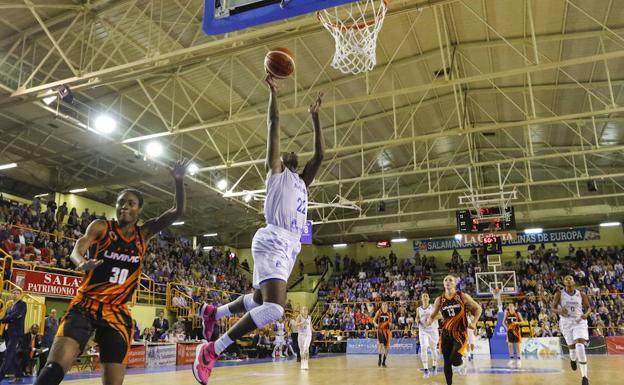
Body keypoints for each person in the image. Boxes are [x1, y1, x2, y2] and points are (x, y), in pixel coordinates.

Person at [192, 76, 325, 385]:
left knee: (258, 299)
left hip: (289, 247)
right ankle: (214, 349)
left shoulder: (302, 181)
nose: (288, 151)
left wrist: (316, 118)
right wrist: (273, 94)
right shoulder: (276, 172)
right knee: (275, 308)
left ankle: (215, 312)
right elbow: (273, 125)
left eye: (293, 151)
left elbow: (320, 156)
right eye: (284, 151)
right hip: (274, 238)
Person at [34, 160, 188, 385]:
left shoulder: (143, 234)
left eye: (130, 203)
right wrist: (81, 262)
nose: (124, 206)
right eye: (120, 202)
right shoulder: (101, 227)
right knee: (55, 368)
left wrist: (179, 181)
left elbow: (176, 212)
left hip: (116, 312)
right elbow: (78, 247)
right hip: (85, 305)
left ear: (139, 210)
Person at [427, 275, 482, 385]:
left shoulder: (462, 296)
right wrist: (429, 320)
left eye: (450, 280)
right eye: (445, 280)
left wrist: (474, 322)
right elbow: (432, 315)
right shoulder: (439, 299)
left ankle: (462, 362)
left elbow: (478, 308)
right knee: (446, 361)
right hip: (446, 333)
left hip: (460, 333)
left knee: (455, 360)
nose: (448, 282)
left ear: (455, 283)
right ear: (443, 284)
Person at [551, 275, 591, 385]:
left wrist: (586, 315)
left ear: (574, 281)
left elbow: (589, 307)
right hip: (566, 323)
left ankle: (584, 377)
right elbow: (552, 307)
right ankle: (573, 360)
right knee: (572, 349)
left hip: (579, 321)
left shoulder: (581, 294)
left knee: (580, 346)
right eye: (566, 278)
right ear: (564, 282)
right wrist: (560, 311)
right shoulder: (559, 294)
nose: (568, 280)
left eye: (570, 278)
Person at [0, 288, 27, 383]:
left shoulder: (22, 304)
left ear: (20, 295)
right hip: (7, 333)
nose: (15, 294)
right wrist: (5, 319)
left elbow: (16, 315)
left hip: (16, 334)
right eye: (13, 293)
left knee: (7, 356)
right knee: (12, 356)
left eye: (17, 293)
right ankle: (19, 375)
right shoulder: (10, 306)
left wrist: (4, 319)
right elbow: (6, 317)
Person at [416, 293, 440, 378]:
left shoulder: (433, 307)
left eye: (426, 296)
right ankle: (426, 369)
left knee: (433, 349)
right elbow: (417, 317)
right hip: (423, 330)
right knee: (423, 347)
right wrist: (417, 321)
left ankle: (434, 365)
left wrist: (431, 318)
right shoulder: (418, 309)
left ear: (429, 298)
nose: (425, 297)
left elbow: (440, 315)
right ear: (421, 299)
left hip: (433, 330)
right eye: (423, 296)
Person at [373, 302, 392, 367]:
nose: (384, 305)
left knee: (386, 347)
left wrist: (390, 324)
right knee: (380, 345)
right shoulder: (379, 311)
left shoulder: (389, 313)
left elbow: (390, 322)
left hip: (387, 331)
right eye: (383, 304)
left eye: (385, 304)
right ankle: (379, 359)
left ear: (387, 306)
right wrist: (375, 324)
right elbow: (374, 320)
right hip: (380, 330)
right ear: (381, 305)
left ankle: (384, 362)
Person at [41, 309, 59, 373]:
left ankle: (51, 370)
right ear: (50, 313)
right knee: (46, 356)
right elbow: (42, 332)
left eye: (55, 313)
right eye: (52, 313)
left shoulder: (57, 321)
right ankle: (45, 370)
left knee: (53, 356)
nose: (54, 314)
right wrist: (43, 343)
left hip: (54, 341)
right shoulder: (46, 320)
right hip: (46, 341)